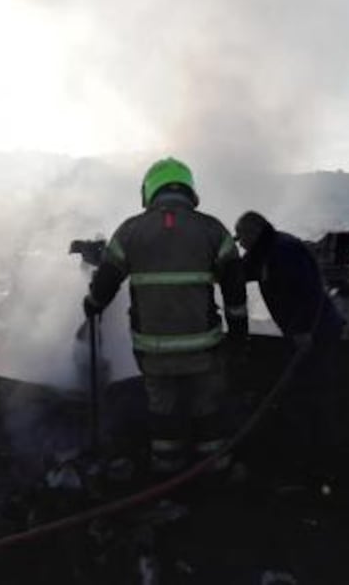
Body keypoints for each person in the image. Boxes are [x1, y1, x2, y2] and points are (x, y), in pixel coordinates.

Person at [84, 158, 248, 475]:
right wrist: (239, 338)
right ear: (189, 189)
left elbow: (106, 281)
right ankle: (213, 471)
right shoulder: (212, 229)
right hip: (204, 350)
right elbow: (235, 291)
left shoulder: (130, 231)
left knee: (163, 412)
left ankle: (167, 471)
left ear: (149, 190)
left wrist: (92, 303)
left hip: (154, 351)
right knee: (207, 408)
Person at [234, 211, 343, 475]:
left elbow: (308, 291)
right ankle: (306, 457)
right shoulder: (264, 250)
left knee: (310, 392)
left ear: (253, 233)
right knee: (301, 390)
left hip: (317, 332)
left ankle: (315, 462)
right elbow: (241, 272)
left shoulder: (283, 250)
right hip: (301, 333)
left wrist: (303, 331)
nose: (241, 244)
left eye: (241, 238)